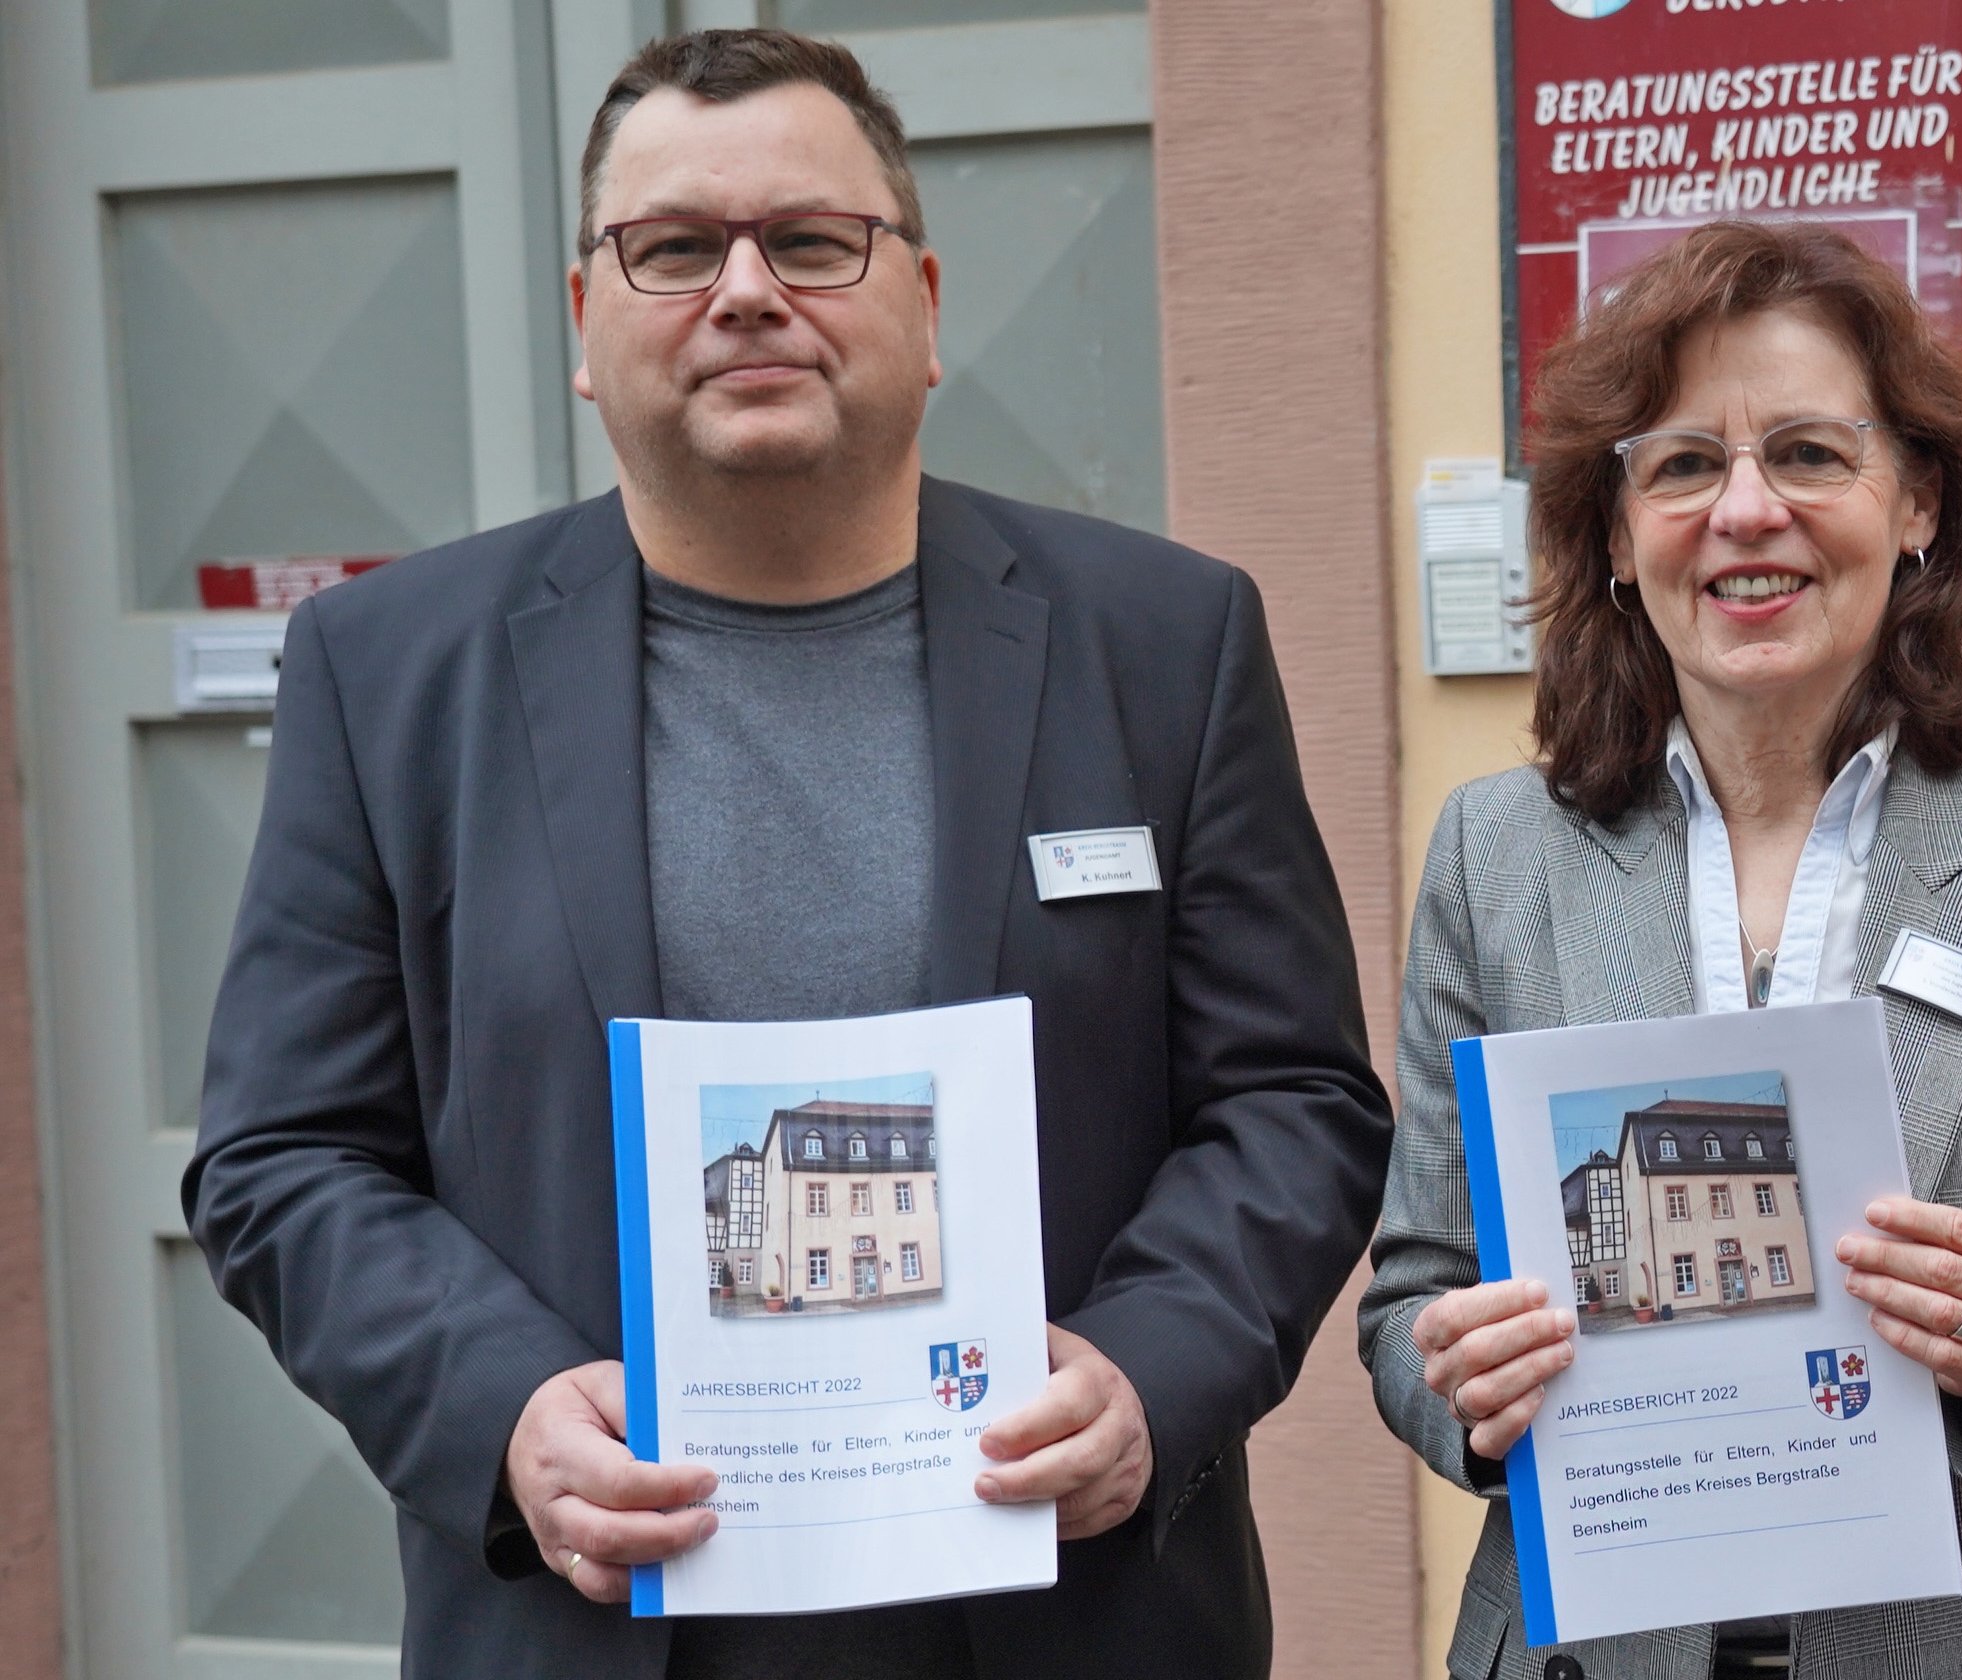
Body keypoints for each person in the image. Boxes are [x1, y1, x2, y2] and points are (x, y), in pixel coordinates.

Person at [181, 29, 1390, 1679]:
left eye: (813, 242)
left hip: (1069, 1618)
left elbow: (1293, 1099)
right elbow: (283, 1155)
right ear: (583, 327)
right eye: (673, 249)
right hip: (591, 1624)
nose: (747, 291)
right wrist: (503, 1412)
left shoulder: (1165, 642)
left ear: (926, 300)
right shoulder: (387, 674)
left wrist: (1151, 1370)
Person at [1359, 221, 1962, 1680]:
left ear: (1915, 503)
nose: (1745, 512)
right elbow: (1411, 1295)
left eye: (1807, 455)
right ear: (1610, 533)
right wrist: (1456, 1383)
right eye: (1682, 467)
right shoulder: (1494, 856)